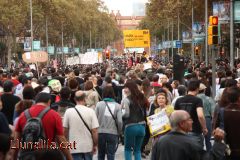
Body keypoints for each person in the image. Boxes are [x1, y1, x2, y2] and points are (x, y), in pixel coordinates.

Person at [14, 92, 73, 160]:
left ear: (35, 101)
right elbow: (61, 139)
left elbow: (16, 141)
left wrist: (14, 156)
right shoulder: (54, 115)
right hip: (47, 155)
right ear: (49, 101)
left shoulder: (23, 115)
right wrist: (69, 157)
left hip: (27, 156)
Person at [63, 91, 99, 160]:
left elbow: (65, 130)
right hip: (87, 146)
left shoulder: (68, 112)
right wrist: (95, 144)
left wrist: (65, 144)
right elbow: (94, 131)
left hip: (73, 146)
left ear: (74, 99)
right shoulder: (91, 111)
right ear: (85, 99)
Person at [174, 79, 207, 148]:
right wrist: (204, 128)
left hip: (181, 131)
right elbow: (200, 115)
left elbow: (174, 116)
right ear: (197, 89)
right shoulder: (198, 100)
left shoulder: (179, 100)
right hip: (195, 130)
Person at [121, 80, 149, 160]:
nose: (124, 90)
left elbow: (126, 114)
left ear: (130, 88)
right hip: (142, 126)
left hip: (130, 126)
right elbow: (146, 113)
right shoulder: (142, 98)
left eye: (126, 88)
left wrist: (120, 115)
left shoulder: (126, 100)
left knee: (127, 149)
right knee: (137, 150)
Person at [95, 86, 122, 160]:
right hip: (113, 133)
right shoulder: (117, 106)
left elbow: (95, 119)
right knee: (111, 154)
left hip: (100, 132)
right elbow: (119, 121)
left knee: (100, 154)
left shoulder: (99, 104)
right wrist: (119, 131)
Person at [197, 83, 215, 152]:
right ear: (204, 90)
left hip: (196, 119)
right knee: (208, 140)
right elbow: (213, 113)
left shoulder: (194, 99)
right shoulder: (209, 99)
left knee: (197, 139)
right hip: (207, 119)